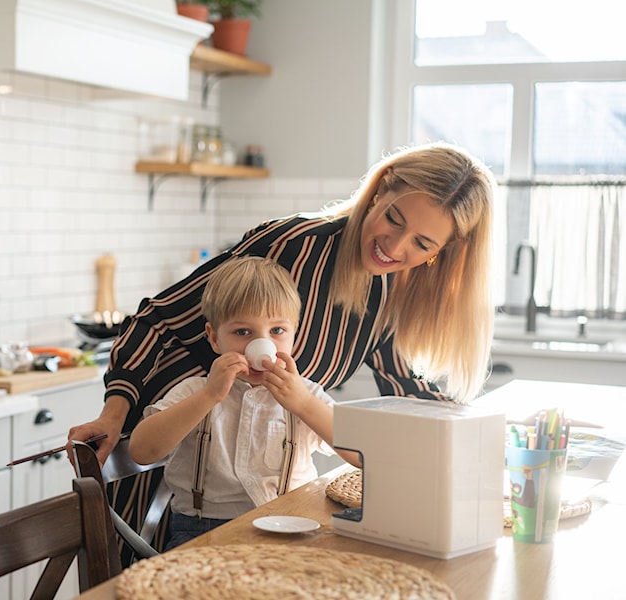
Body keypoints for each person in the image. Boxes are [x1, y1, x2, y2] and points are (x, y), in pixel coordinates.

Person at [68, 141, 495, 548]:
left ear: (443, 251)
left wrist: (475, 440)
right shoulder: (291, 246)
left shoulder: (389, 292)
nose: (395, 246)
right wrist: (114, 411)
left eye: (422, 243)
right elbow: (157, 317)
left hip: (267, 504)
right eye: (395, 219)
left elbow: (404, 389)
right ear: (381, 189)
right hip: (173, 459)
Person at [129, 256, 361, 548]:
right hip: (203, 532)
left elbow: (362, 455)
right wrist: (209, 396)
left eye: (277, 331)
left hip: (292, 525)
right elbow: (142, 450)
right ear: (214, 339)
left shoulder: (306, 394)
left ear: (294, 334)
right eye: (242, 332)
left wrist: (304, 405)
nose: (261, 345)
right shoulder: (196, 391)